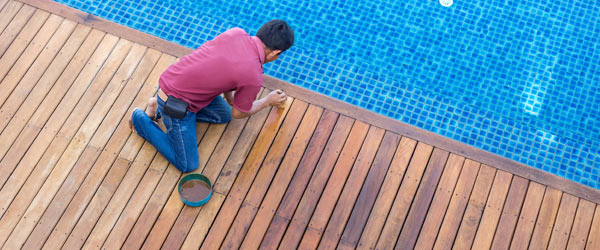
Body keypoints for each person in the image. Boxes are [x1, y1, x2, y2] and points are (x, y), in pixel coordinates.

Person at [130, 20, 294, 172]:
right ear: (275, 53)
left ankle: (158, 106)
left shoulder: (236, 33)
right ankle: (140, 119)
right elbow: (239, 113)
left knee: (223, 115)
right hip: (176, 104)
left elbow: (224, 68)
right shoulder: (254, 75)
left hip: (173, 79)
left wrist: (230, 99)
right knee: (187, 164)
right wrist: (267, 101)